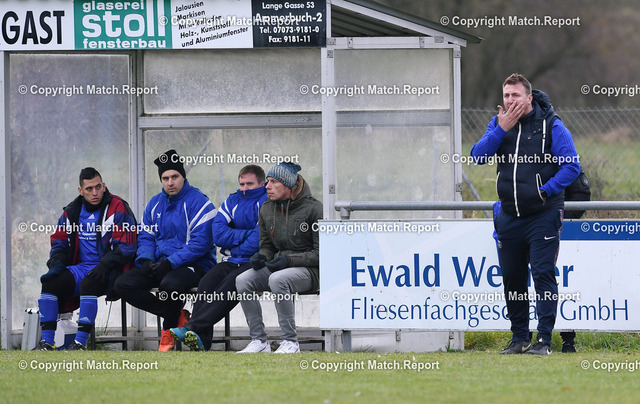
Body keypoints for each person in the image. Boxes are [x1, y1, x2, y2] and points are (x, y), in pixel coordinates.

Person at [471, 73, 580, 355]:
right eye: (506, 96)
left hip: (543, 214)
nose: (511, 100)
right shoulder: (498, 124)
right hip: (509, 215)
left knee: (543, 275)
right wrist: (501, 129)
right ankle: (520, 338)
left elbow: (571, 166)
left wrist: (545, 190)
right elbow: (477, 156)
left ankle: (544, 340)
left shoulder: (551, 125)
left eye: (516, 95)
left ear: (529, 98)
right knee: (512, 278)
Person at [114, 149, 216, 351]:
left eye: (175, 177)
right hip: (160, 263)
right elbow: (146, 236)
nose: (170, 182)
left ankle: (167, 330)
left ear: (183, 176)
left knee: (169, 285)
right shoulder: (154, 204)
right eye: (165, 178)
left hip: (195, 265)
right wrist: (145, 260)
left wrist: (170, 263)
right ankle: (177, 316)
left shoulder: (200, 203)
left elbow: (199, 245)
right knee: (122, 284)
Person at [34, 167, 137, 350]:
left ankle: (80, 343)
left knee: (89, 283)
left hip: (111, 270)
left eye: (98, 187)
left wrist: (104, 265)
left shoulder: (118, 207)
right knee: (50, 283)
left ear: (104, 186)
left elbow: (127, 246)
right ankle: (47, 343)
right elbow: (59, 242)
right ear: (80, 191)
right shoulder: (72, 211)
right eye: (89, 189)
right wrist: (56, 266)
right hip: (80, 269)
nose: (95, 192)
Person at [169, 165, 268, 351]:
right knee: (206, 282)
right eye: (242, 184)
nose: (245, 188)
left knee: (231, 284)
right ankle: (201, 341)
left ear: (262, 184)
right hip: (231, 260)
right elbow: (218, 234)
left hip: (255, 262)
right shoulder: (232, 200)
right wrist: (245, 235)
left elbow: (258, 240)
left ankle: (192, 327)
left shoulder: (267, 202)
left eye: (250, 184)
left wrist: (234, 243)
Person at [235, 162, 322, 354]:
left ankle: (290, 342)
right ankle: (259, 341)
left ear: (288, 185)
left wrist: (289, 260)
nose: (267, 186)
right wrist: (261, 257)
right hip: (281, 267)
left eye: (274, 182)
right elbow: (267, 246)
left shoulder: (315, 209)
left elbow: (321, 254)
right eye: (267, 181)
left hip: (311, 272)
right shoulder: (266, 208)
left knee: (277, 279)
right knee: (243, 280)